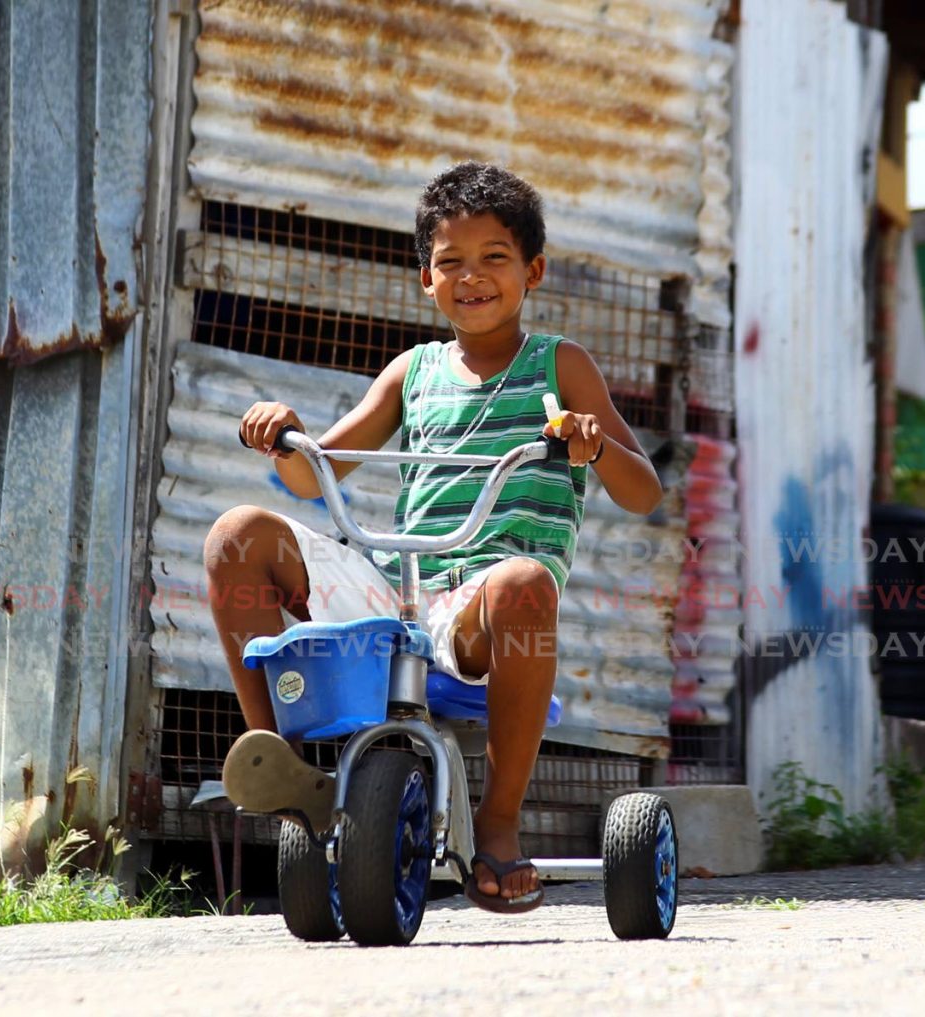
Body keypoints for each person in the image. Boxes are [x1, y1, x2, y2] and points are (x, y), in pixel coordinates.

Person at [203, 161, 663, 913]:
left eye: (494, 260)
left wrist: (593, 443)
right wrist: (282, 433)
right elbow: (314, 473)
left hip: (483, 612)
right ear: (426, 278)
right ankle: (281, 766)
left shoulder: (560, 365)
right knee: (235, 535)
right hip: (395, 593)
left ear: (532, 270)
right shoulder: (412, 372)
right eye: (450, 262)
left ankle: (500, 823)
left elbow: (644, 493)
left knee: (522, 582)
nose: (471, 277)